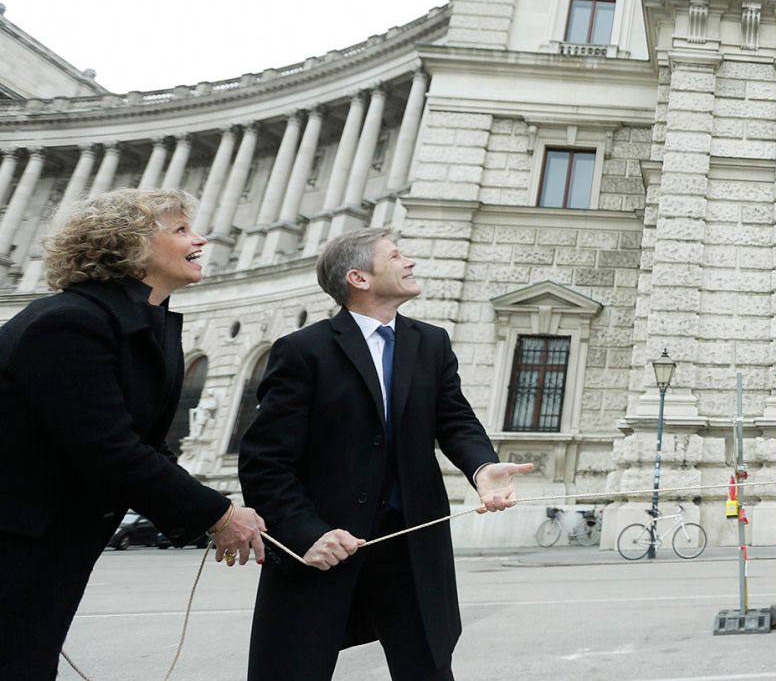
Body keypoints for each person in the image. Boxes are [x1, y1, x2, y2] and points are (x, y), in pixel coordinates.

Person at [240, 228, 534, 680]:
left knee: (428, 670)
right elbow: (265, 460)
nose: (410, 262)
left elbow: (455, 420)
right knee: (292, 669)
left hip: (411, 543)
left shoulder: (430, 343)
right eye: (396, 256)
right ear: (358, 277)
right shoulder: (304, 350)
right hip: (325, 546)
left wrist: (482, 466)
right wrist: (305, 533)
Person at [0, 189, 267, 679]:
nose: (201, 239)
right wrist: (218, 513)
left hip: (50, 541)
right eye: (181, 229)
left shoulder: (143, 326)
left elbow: (147, 446)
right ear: (130, 244)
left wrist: (221, 510)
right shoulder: (66, 324)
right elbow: (108, 449)